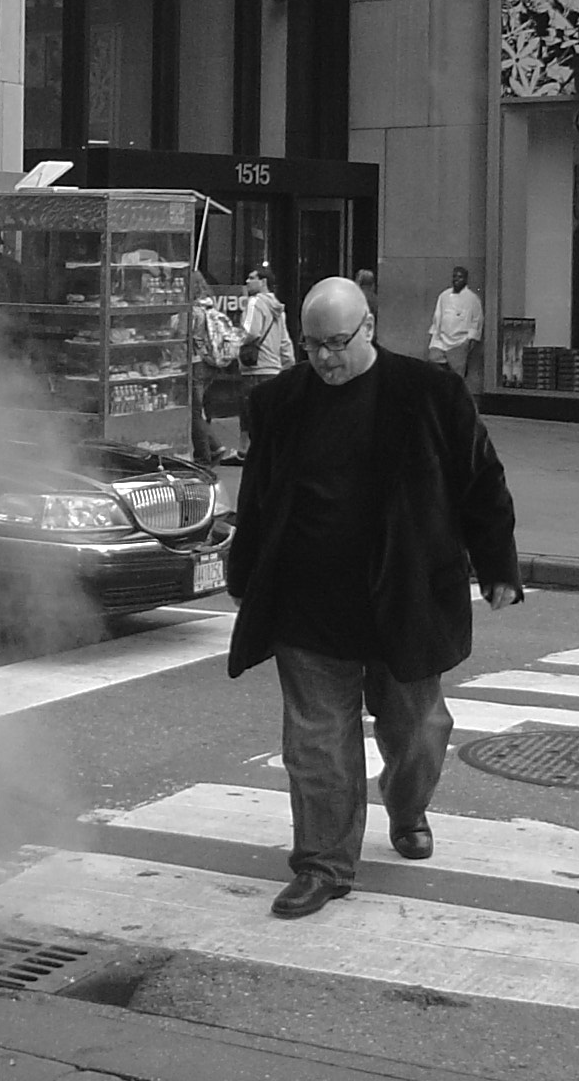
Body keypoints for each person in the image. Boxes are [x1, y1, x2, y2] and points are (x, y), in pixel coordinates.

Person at [223, 277, 523, 920]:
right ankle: (322, 864)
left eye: (337, 343)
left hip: (406, 595)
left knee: (418, 730)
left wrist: (497, 564)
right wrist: (245, 576)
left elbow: (481, 481)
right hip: (308, 603)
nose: (326, 358)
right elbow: (260, 497)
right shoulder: (279, 402)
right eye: (313, 345)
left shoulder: (431, 393)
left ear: (369, 329)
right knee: (316, 742)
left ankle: (407, 804)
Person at [230, 265, 294, 453]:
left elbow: (250, 331)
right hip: (273, 370)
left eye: (252, 278)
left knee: (250, 417)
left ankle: (246, 453)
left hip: (254, 369)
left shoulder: (255, 302)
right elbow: (285, 341)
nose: (247, 282)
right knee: (270, 416)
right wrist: (288, 364)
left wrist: (232, 339)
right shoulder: (278, 308)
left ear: (263, 282)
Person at [189, 271, 244, 467]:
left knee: (193, 412)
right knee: (200, 410)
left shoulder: (193, 312)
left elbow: (180, 334)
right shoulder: (210, 307)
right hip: (211, 364)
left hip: (195, 364)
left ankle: (203, 456)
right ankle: (214, 446)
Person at [426, 266, 483, 383]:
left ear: (465, 279)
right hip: (441, 339)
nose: (456, 279)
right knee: (433, 363)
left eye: (460, 277)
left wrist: (470, 340)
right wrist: (435, 335)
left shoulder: (472, 298)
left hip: (459, 341)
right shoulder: (444, 295)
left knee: (457, 375)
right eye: (454, 277)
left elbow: (477, 320)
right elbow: (438, 315)